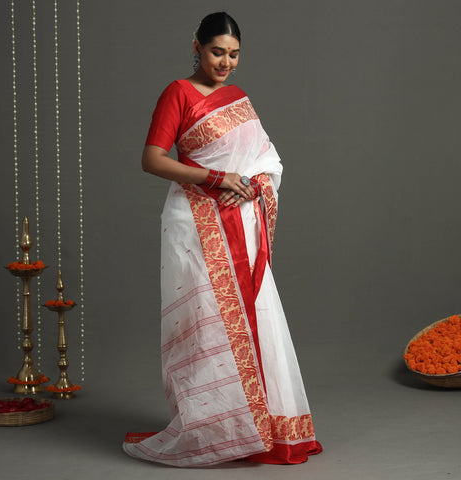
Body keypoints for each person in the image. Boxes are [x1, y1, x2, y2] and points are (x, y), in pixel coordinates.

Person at [123, 12, 322, 467]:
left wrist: (253, 184)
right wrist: (216, 177)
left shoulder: (238, 98)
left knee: (256, 315)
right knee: (206, 322)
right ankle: (211, 429)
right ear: (197, 46)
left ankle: (260, 428)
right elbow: (152, 159)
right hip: (197, 223)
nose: (225, 63)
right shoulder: (178, 92)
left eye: (234, 55)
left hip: (242, 219)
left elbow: (267, 160)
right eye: (217, 52)